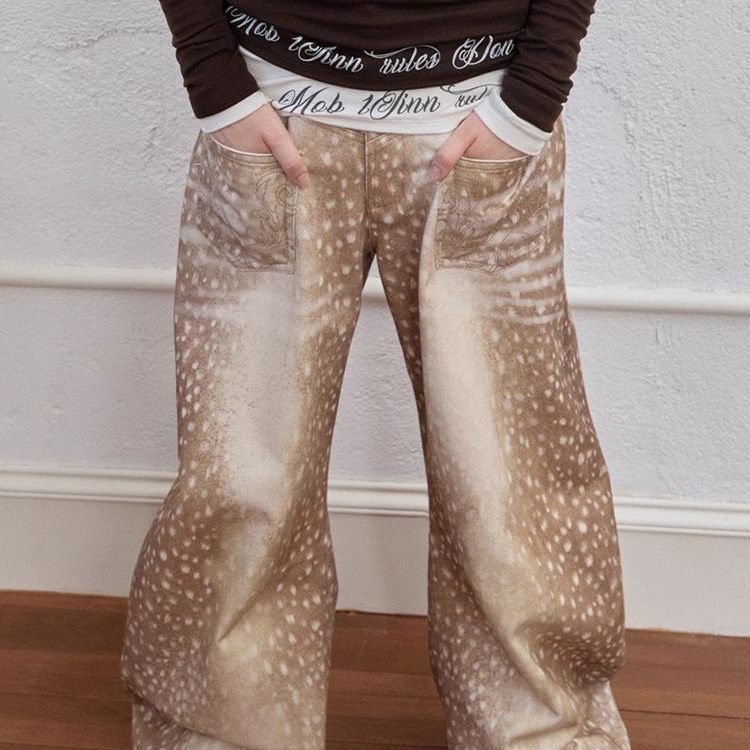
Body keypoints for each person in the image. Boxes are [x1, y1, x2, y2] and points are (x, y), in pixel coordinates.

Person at [119, 2, 632, 749]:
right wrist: (215, 80)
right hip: (273, 106)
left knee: (511, 471)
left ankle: (545, 729)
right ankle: (222, 723)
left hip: (478, 108)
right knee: (241, 470)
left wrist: (532, 96)